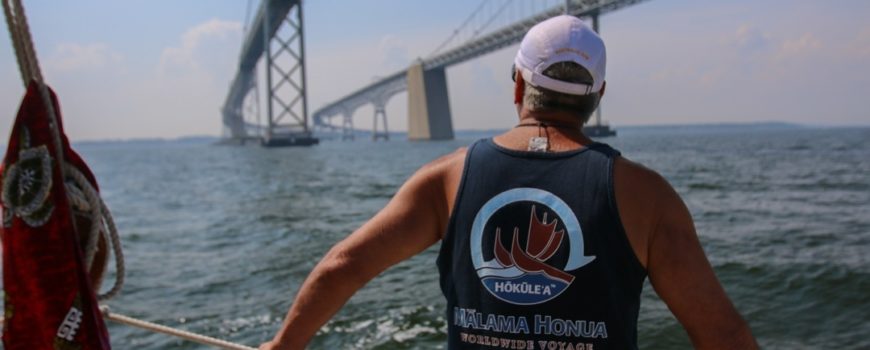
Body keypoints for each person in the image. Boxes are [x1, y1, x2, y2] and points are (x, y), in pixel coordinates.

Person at [260, 15, 757, 350]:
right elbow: (724, 336)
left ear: (517, 83)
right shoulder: (646, 196)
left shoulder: (447, 178)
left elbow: (343, 266)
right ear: (597, 95)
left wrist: (282, 346)